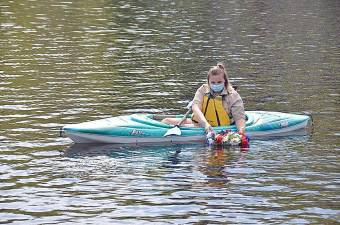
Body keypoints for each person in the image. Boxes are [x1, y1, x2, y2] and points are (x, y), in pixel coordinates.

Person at [162, 63, 246, 134]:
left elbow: (239, 118)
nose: (216, 84)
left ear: (225, 81)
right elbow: (196, 108)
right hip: (202, 124)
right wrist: (205, 124)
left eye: (219, 82)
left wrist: (241, 132)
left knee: (182, 125)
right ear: (208, 82)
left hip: (222, 127)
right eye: (213, 82)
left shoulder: (233, 95)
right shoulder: (203, 90)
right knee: (166, 121)